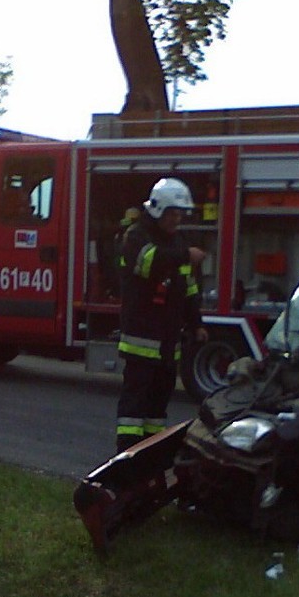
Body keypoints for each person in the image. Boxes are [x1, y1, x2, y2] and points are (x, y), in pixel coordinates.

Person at [115, 178, 207, 451]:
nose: (177, 220)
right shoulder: (136, 235)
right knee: (134, 408)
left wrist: (196, 322)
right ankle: (126, 457)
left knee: (157, 409)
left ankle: (149, 453)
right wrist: (185, 255)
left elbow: (187, 287)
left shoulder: (176, 242)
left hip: (167, 342)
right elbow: (149, 262)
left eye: (180, 215)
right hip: (142, 340)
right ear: (158, 210)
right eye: (173, 214)